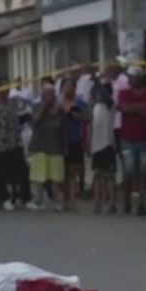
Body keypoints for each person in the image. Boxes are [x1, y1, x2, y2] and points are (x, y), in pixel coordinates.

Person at [116, 69, 146, 216]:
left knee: (144, 171)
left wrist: (134, 108)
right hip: (127, 139)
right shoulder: (124, 93)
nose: (133, 79)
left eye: (136, 77)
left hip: (145, 139)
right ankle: (127, 200)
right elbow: (124, 108)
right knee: (129, 170)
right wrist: (140, 107)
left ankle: (140, 203)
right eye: (131, 77)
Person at [27, 78, 67, 211]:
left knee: (56, 177)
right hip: (40, 146)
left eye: (51, 94)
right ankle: (39, 201)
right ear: (42, 96)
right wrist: (44, 106)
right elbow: (35, 121)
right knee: (39, 177)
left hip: (56, 147)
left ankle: (58, 203)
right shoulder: (37, 106)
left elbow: (64, 129)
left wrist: (64, 146)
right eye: (46, 94)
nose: (49, 97)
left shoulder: (60, 109)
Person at [0, 90, 31, 211]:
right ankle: (5, 198)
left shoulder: (14, 103)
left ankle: (25, 198)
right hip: (1, 141)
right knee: (2, 172)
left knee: (22, 170)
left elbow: (22, 117)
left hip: (15, 140)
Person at [89, 72, 118, 214]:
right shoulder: (95, 107)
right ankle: (97, 203)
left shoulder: (110, 105)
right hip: (96, 145)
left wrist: (98, 81)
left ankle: (112, 203)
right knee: (98, 175)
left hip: (108, 143)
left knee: (109, 176)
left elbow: (105, 95)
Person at [61, 77, 89, 212]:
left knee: (73, 172)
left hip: (75, 139)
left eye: (71, 86)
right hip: (60, 140)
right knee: (62, 173)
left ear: (75, 88)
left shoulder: (80, 103)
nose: (69, 88)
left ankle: (72, 199)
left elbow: (88, 117)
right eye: (66, 85)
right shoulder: (59, 103)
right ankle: (64, 200)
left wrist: (79, 116)